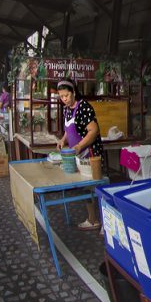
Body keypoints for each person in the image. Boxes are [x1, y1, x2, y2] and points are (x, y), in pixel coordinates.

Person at [55, 80, 103, 231]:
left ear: (74, 92)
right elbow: (68, 131)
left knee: (93, 186)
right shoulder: (67, 109)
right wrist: (62, 141)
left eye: (66, 95)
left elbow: (93, 131)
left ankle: (101, 221)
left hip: (90, 153)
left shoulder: (83, 107)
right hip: (78, 153)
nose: (64, 99)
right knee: (85, 188)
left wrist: (80, 146)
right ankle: (93, 219)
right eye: (61, 97)